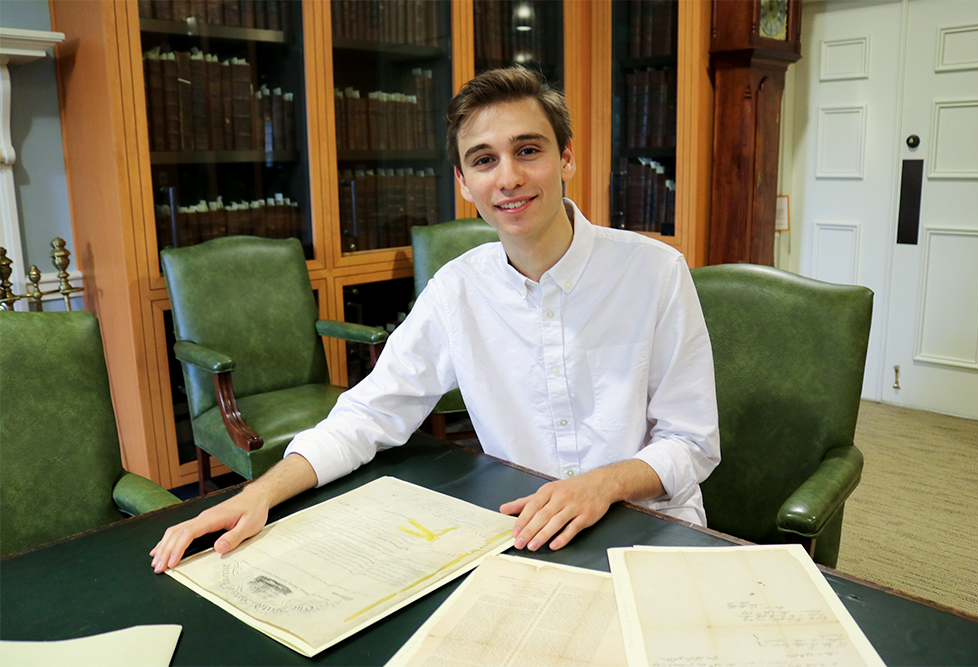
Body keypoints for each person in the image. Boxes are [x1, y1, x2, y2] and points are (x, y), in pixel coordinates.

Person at [150, 66, 719, 574]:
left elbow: (693, 441)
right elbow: (368, 412)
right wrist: (259, 494)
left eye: (528, 151)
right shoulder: (457, 289)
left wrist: (603, 483)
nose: (508, 178)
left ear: (566, 157)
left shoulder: (654, 271)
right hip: (526, 534)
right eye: (484, 160)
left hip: (654, 527)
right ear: (464, 183)